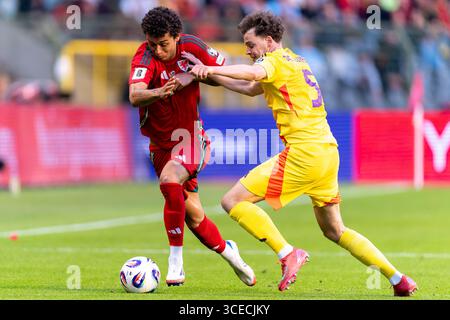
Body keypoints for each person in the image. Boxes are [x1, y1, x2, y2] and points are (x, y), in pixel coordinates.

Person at [188, 11, 417, 295]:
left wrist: (212, 70)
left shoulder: (274, 61)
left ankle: (287, 253)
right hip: (327, 152)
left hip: (304, 153)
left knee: (232, 201)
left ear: (269, 41)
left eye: (250, 44)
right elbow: (250, 88)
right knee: (335, 231)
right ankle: (399, 279)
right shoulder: (296, 61)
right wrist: (208, 74)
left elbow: (253, 73)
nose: (247, 51)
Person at [128, 6, 255, 287]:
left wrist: (197, 74)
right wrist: (160, 92)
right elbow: (135, 96)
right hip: (159, 145)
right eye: (152, 44)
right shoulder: (144, 56)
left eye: (163, 44)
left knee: (169, 178)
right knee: (193, 217)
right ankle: (230, 253)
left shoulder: (193, 46)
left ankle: (175, 260)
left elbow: (225, 71)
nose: (157, 50)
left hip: (190, 138)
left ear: (176, 36)